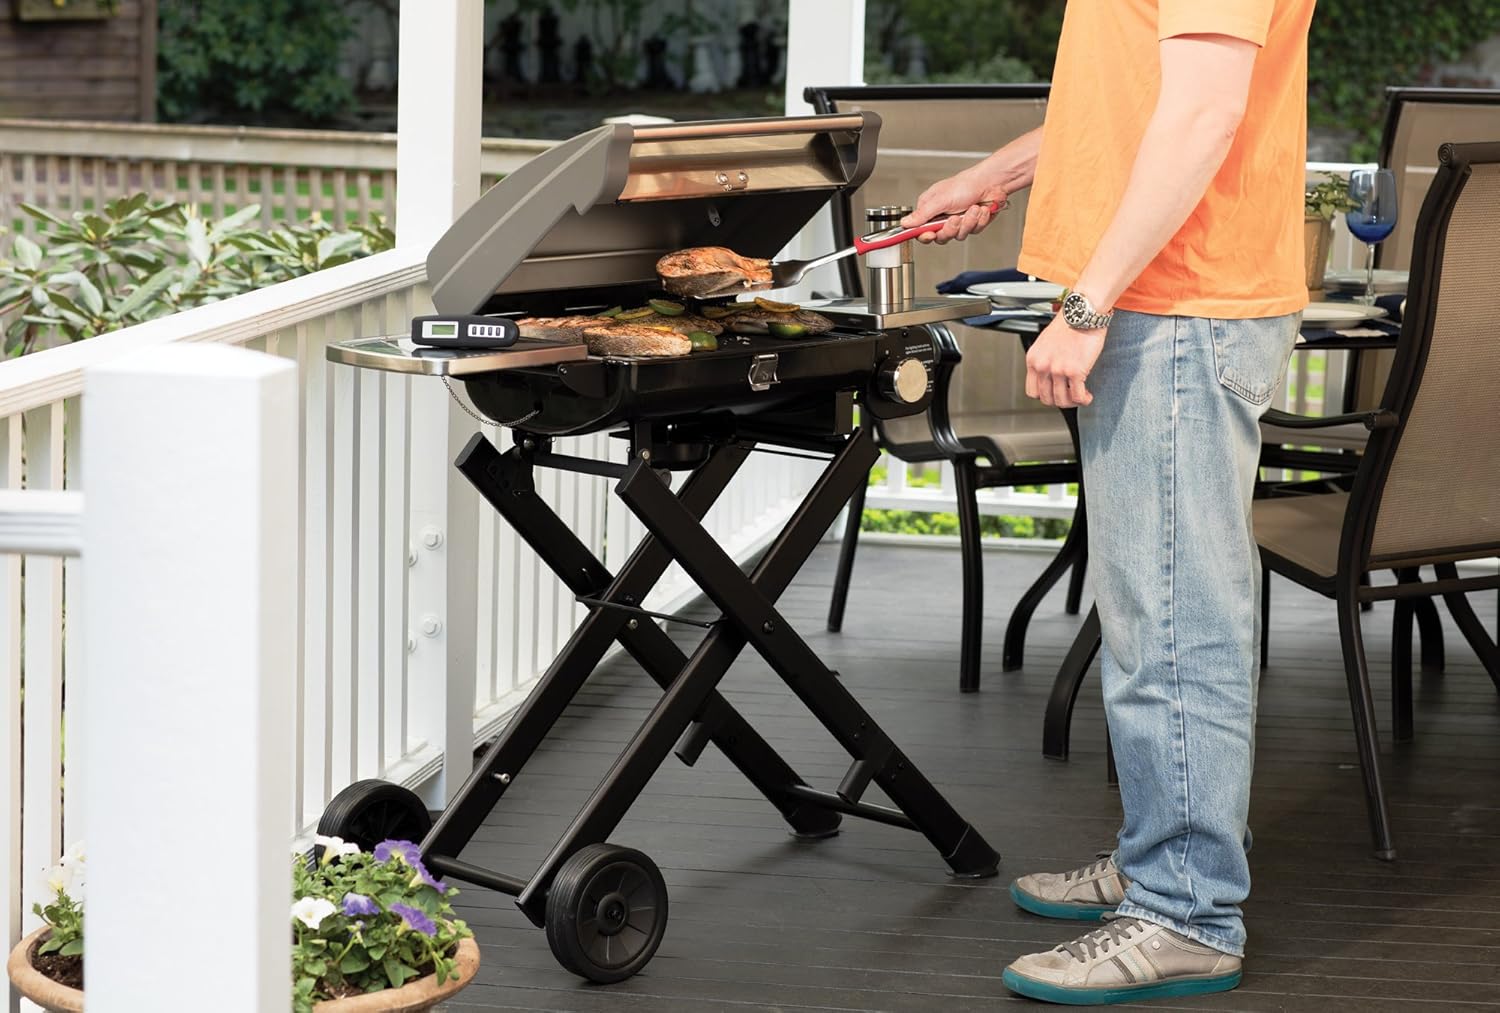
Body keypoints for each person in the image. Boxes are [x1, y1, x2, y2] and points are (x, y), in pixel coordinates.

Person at [902, 0, 1316, 1004]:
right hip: (1158, 298)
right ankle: (1156, 861)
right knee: (1147, 613)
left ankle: (1186, 913)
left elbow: (1203, 115)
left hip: (1174, 303)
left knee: (1174, 622)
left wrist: (1089, 303)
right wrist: (998, 173)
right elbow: (1133, 101)